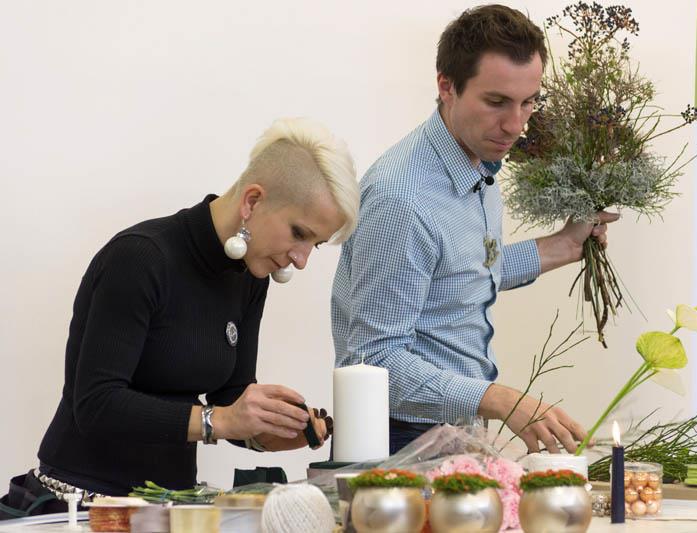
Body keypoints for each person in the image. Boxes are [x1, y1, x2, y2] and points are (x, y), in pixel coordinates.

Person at [1, 117, 360, 519]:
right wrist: (221, 421)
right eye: (299, 233)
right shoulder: (139, 258)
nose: (302, 259)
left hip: (170, 508)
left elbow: (230, 394)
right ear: (252, 201)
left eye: (316, 244)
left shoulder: (250, 275)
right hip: (80, 509)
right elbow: (96, 404)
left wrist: (265, 432)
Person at [331, 5, 618, 455]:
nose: (516, 125)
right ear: (446, 86)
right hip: (396, 440)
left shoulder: (477, 161)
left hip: (455, 430)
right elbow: (373, 362)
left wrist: (564, 245)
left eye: (529, 102)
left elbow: (463, 274)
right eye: (497, 102)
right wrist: (500, 400)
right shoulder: (401, 198)